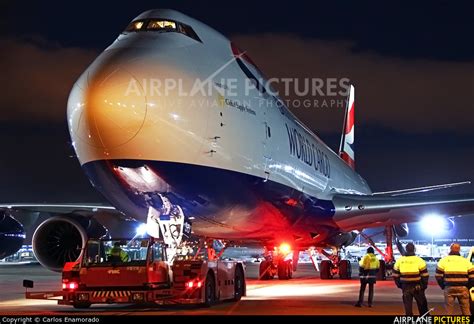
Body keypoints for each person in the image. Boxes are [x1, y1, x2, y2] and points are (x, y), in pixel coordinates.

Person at [435, 243, 473, 315]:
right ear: (459, 250)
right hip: (463, 288)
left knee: (448, 311)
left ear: (450, 249)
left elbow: (438, 276)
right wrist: (468, 286)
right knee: (466, 310)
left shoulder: (443, 260)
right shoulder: (466, 261)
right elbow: (472, 277)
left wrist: (443, 286)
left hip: (449, 287)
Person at [392, 243, 429, 316]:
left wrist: (400, 285)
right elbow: (425, 275)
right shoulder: (419, 260)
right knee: (422, 306)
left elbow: (395, 275)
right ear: (414, 249)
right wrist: (423, 286)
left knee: (408, 307)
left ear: (406, 250)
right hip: (417, 285)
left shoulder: (400, 260)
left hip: (405, 286)